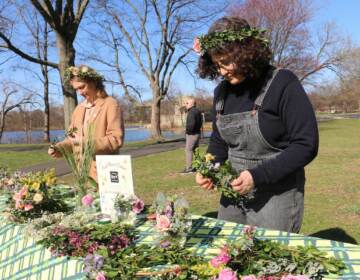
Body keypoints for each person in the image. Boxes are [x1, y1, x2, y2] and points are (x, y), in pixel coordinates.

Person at [194, 17, 319, 233]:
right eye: (217, 64)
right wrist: (208, 167)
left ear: (245, 53)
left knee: (269, 261)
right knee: (228, 255)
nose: (222, 71)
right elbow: (218, 141)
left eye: (225, 62)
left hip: (277, 194)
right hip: (233, 192)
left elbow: (306, 144)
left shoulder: (282, 83)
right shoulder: (221, 92)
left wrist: (256, 176)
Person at [48, 65, 124, 182]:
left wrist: (87, 144)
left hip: (106, 173)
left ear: (94, 82)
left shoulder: (111, 104)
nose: (79, 93)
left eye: (82, 87)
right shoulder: (79, 109)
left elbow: (115, 139)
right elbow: (72, 138)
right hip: (82, 175)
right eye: (76, 89)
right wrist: (60, 148)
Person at [180, 97, 203, 174]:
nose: (185, 104)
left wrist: (188, 132)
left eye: (187, 103)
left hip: (192, 134)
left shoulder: (192, 112)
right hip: (197, 133)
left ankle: (189, 169)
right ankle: (200, 166)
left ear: (192, 104)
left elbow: (191, 124)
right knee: (195, 150)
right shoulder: (198, 111)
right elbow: (200, 123)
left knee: (188, 150)